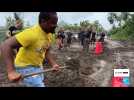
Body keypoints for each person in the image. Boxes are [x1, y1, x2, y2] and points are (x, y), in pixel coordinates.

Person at [1, 12, 59, 87]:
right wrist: (11, 71)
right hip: (25, 67)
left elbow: (46, 50)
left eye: (56, 23)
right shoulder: (32, 33)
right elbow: (5, 45)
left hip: (38, 66)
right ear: (43, 21)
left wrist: (53, 64)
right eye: (53, 23)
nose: (55, 26)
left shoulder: (50, 34)